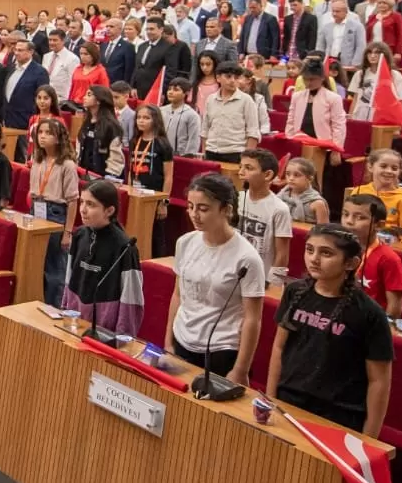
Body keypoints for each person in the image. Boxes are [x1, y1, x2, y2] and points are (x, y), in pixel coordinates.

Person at [266, 225, 395, 435]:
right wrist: (270, 400)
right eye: (309, 250)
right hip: (289, 402)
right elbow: (279, 348)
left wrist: (370, 437)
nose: (314, 259)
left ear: (351, 263)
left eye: (326, 253)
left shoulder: (370, 313)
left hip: (338, 414)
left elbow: (378, 381)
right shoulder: (294, 292)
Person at [165, 173, 269, 378]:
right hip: (182, 339)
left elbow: (252, 319)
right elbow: (178, 295)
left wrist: (240, 369)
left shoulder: (247, 258)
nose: (194, 214)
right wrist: (168, 341)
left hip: (220, 350)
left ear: (226, 210)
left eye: (203, 209)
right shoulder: (185, 242)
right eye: (190, 206)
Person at [62, 180, 145, 338]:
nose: (83, 210)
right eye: (82, 202)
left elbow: (131, 300)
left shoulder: (125, 247)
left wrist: (122, 338)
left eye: (91, 205)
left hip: (105, 332)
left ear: (109, 210)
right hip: (75, 324)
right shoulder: (79, 235)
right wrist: (65, 311)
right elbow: (69, 279)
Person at [28, 117, 79, 304]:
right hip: (36, 209)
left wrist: (68, 232)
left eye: (48, 133)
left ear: (59, 138)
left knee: (54, 265)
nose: (42, 137)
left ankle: (54, 305)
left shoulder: (67, 165)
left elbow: (73, 201)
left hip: (56, 212)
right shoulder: (37, 159)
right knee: (36, 262)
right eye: (40, 132)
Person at [341, 194, 402, 317]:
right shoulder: (338, 248)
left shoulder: (389, 259)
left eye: (359, 217)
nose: (349, 221)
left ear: (379, 225)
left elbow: (394, 308)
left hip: (369, 323)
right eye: (345, 214)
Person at [235, 149, 293, 278]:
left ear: (267, 175)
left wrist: (274, 282)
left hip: (260, 276)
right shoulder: (236, 199)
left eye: (248, 168)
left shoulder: (280, 209)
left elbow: (282, 254)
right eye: (241, 167)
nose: (240, 172)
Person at [200, 61, 265, 164]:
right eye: (228, 77)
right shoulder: (210, 99)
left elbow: (253, 133)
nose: (232, 81)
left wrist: (247, 159)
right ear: (218, 78)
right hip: (211, 152)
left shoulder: (246, 100)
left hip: (235, 153)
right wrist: (204, 152)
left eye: (236, 78)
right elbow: (205, 130)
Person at [283, 60, 346, 148]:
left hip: (323, 146)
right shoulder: (297, 96)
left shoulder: (334, 98)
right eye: (305, 79)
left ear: (322, 78)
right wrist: (289, 142)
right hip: (299, 143)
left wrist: (336, 149)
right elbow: (290, 122)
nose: (308, 82)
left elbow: (338, 127)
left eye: (312, 79)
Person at [161, 77, 203, 158]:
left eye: (176, 90)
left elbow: (194, 139)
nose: (171, 92)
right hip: (161, 155)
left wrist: (188, 157)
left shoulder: (192, 115)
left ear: (186, 93)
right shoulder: (161, 111)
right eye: (169, 89)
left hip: (180, 156)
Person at [280, 156, 329, 225]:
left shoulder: (317, 203)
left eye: (296, 175)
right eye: (288, 174)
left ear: (310, 179)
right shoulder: (280, 196)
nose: (291, 178)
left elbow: (324, 231)